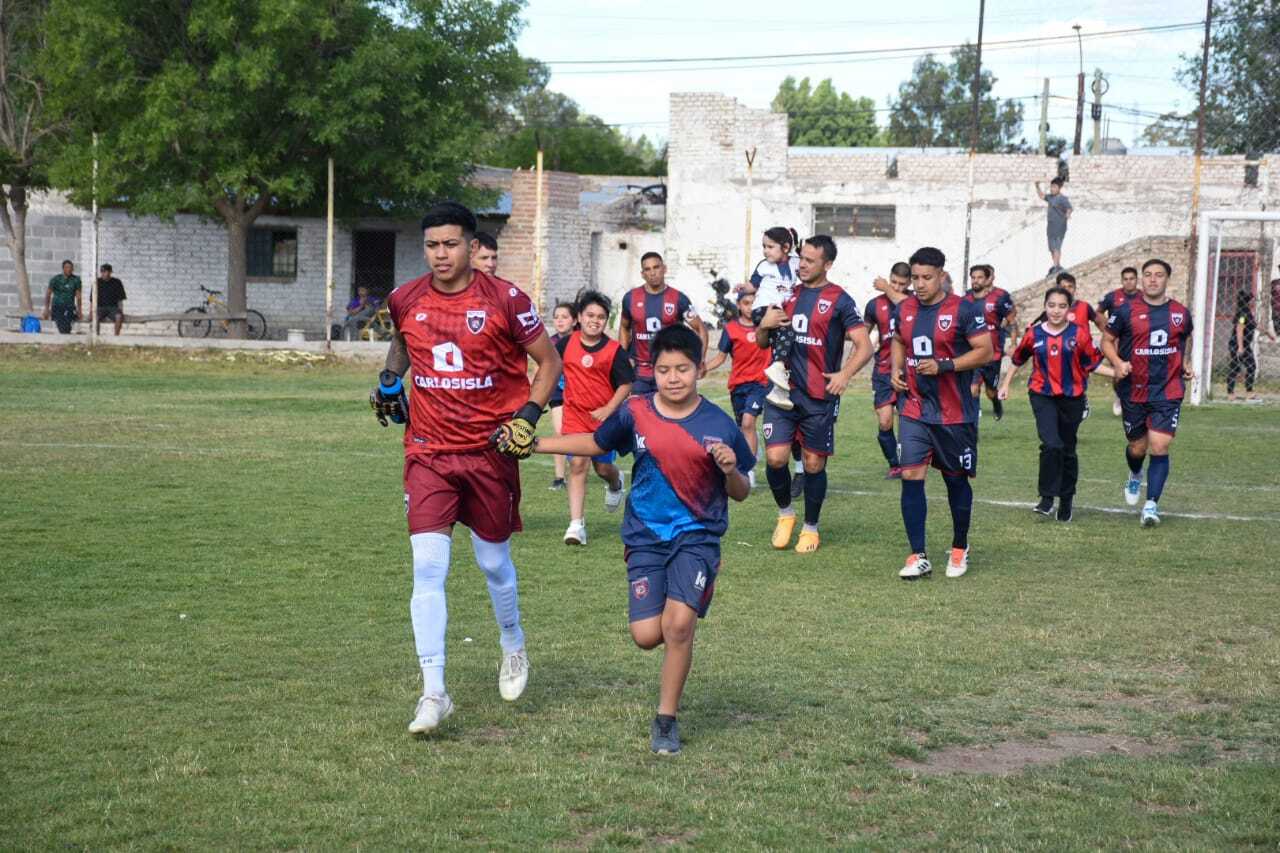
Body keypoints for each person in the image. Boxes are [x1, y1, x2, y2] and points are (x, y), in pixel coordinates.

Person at [369, 201, 562, 735]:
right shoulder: (406, 297)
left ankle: (512, 642)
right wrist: (390, 379)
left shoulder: (505, 300)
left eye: (451, 244)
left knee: (493, 563)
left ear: (473, 247)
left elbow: (549, 363)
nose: (440, 254)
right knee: (427, 569)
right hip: (428, 452)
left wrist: (527, 415)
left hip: (490, 452)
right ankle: (434, 693)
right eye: (432, 245)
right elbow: (402, 339)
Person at [518, 324, 752, 755]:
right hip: (644, 536)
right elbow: (595, 440)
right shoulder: (636, 411)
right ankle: (675, 613)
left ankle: (666, 719)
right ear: (653, 371)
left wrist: (731, 470)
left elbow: (741, 491)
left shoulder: (719, 423)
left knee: (679, 627)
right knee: (647, 634)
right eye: (665, 370)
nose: (674, 378)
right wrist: (536, 445)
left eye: (683, 368)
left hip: (696, 538)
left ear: (700, 369)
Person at [756, 235, 873, 554]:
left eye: (810, 260)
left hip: (819, 396)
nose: (802, 265)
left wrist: (845, 374)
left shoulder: (840, 299)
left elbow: (865, 345)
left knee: (813, 465)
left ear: (827, 264)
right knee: (775, 458)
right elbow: (762, 342)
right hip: (781, 392)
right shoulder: (786, 293)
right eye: (801, 258)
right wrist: (764, 325)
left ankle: (811, 528)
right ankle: (785, 515)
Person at [892, 247, 993, 580]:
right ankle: (917, 555)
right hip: (914, 408)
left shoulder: (964, 309)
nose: (919, 285)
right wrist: (895, 370)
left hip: (954, 413)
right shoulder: (904, 308)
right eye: (915, 278)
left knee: (955, 481)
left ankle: (960, 545)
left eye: (926, 278)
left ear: (942, 276)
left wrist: (945, 365)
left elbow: (985, 352)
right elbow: (897, 339)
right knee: (910, 475)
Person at [999, 287, 1110, 522]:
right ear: (1045, 307)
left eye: (1061, 306)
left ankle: (1066, 500)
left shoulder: (1079, 334)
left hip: (1073, 398)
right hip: (1042, 394)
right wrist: (1005, 384)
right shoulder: (1034, 334)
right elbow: (1017, 359)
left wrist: (1119, 372)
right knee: (1052, 445)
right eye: (1051, 305)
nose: (1056, 311)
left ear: (1069, 310)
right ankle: (1047, 498)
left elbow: (1093, 364)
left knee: (1067, 449)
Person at [1101, 258, 1194, 527]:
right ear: (1142, 280)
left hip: (1168, 389)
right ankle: (1134, 474)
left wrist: (1185, 364)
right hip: (1133, 390)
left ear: (1167, 279)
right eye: (1148, 275)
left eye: (1159, 275)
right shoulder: (1125, 310)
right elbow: (1106, 341)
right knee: (1137, 447)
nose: (1153, 279)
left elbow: (1183, 341)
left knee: (1159, 445)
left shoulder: (1180, 312)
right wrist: (1118, 363)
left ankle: (1151, 505)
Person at [556, 290, 632, 545]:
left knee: (602, 468)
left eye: (601, 317)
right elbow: (548, 367)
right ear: (579, 317)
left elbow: (625, 385)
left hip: (603, 420)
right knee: (577, 464)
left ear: (606, 321)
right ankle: (576, 525)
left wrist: (608, 409)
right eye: (590, 315)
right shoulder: (565, 344)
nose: (595, 320)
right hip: (575, 417)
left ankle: (615, 481)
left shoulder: (614, 351)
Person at [704, 285, 770, 487]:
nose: (750, 308)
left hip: (761, 383)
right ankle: (752, 446)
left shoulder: (766, 326)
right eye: (746, 303)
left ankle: (748, 470)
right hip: (738, 386)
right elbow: (721, 357)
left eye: (753, 303)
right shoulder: (731, 329)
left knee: (748, 423)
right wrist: (702, 369)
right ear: (739, 305)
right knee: (743, 428)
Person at [619, 252, 707, 396]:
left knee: (670, 416)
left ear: (664, 269)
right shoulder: (630, 298)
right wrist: (622, 358)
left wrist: (700, 359)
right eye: (647, 269)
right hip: (640, 372)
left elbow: (701, 329)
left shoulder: (679, 299)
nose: (652, 273)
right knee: (639, 415)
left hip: (670, 371)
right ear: (642, 274)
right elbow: (624, 327)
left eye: (656, 267)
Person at [864, 262, 912, 478]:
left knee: (909, 420)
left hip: (910, 370)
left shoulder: (913, 301)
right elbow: (862, 334)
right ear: (889, 277)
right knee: (884, 421)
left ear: (909, 283)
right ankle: (895, 464)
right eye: (894, 282)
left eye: (902, 284)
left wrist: (887, 288)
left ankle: (911, 461)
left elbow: (904, 302)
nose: (898, 287)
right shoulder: (874, 305)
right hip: (883, 370)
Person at [748, 226, 801, 410]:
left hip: (780, 309)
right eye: (764, 246)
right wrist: (742, 288)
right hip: (764, 309)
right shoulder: (764, 265)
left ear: (785, 247)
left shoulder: (796, 263)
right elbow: (752, 285)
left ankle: (779, 391)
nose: (765, 251)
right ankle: (778, 365)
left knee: (784, 341)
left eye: (770, 247)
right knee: (787, 329)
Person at [964, 263, 1017, 422]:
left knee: (990, 391)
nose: (976, 281)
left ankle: (996, 402)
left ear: (988, 279)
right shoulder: (965, 299)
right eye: (973, 278)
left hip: (992, 352)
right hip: (972, 351)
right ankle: (972, 421)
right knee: (972, 388)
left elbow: (1012, 319)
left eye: (980, 277)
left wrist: (1013, 344)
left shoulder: (999, 297)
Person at [1098, 267, 1141, 416]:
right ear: (1122, 280)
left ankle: (1136, 400)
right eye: (1126, 279)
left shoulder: (1143, 296)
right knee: (1119, 370)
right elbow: (1098, 313)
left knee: (1138, 369)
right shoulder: (1112, 297)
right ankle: (1119, 397)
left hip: (1136, 339)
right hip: (1117, 340)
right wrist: (1108, 329)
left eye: (1132, 278)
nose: (1129, 282)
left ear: (1137, 280)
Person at [546, 301, 577, 490]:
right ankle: (559, 478)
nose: (559, 321)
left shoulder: (582, 340)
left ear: (574, 321)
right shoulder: (549, 342)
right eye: (556, 317)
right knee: (559, 431)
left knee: (580, 433)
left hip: (580, 392)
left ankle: (591, 464)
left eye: (564, 317)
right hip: (558, 391)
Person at [1226, 289, 1274, 400]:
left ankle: (1248, 391)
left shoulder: (1247, 312)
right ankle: (1231, 393)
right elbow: (1239, 329)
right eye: (1252, 300)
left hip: (1245, 345)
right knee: (1236, 367)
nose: (1253, 302)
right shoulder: (1243, 313)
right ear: (1247, 301)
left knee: (1250, 367)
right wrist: (1240, 347)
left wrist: (1268, 332)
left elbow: (1255, 325)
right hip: (1237, 345)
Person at [1035, 177, 1072, 275]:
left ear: (1059, 188)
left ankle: (1056, 266)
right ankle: (1057, 264)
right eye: (1051, 187)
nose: (1052, 189)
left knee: (1056, 247)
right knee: (1052, 248)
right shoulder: (1050, 197)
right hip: (1050, 227)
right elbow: (1042, 196)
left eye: (1054, 187)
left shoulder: (1062, 199)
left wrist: (1068, 215)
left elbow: (1069, 208)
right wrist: (1037, 186)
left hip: (1059, 226)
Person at [43, 260, 82, 334]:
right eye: (67, 267)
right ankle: (65, 334)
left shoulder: (76, 280)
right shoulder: (56, 279)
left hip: (69, 306)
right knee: (60, 319)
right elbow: (48, 294)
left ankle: (65, 334)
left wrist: (79, 310)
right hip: (57, 305)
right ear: (63, 268)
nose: (69, 269)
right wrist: (46, 309)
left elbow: (78, 296)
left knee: (68, 319)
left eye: (71, 268)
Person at [95, 264, 127, 336]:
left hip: (113, 308)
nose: (105, 274)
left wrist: (121, 311)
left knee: (118, 316)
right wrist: (92, 311)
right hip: (100, 307)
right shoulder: (97, 282)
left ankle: (116, 336)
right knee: (95, 317)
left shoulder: (117, 282)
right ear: (101, 272)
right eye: (103, 272)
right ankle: (96, 336)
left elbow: (120, 299)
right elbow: (92, 299)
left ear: (110, 272)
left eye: (107, 272)